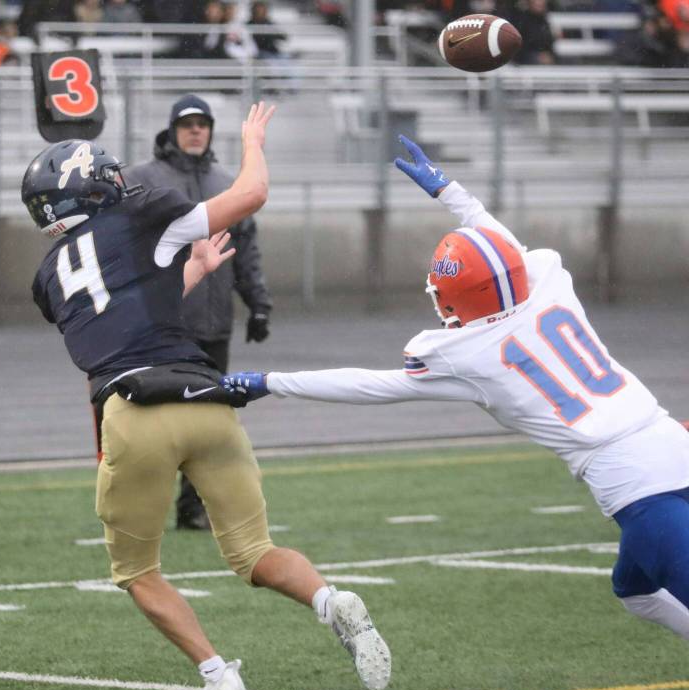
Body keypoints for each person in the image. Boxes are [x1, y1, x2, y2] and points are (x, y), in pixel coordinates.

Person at [223, 135, 689, 642]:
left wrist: (271, 381)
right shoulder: (549, 281)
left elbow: (368, 385)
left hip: (640, 490)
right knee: (634, 589)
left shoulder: (470, 354)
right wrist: (448, 190)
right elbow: (497, 240)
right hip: (672, 439)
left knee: (646, 581)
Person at [22, 103, 391, 690]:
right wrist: (251, 141)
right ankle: (330, 600)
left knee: (137, 570)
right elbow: (252, 194)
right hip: (207, 402)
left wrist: (185, 272)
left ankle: (217, 674)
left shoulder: (47, 276)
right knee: (253, 551)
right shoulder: (142, 215)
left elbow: (112, 315)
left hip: (135, 413)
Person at [125, 94, 273, 531]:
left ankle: (193, 508)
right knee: (155, 422)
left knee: (208, 420)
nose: (195, 130)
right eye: (187, 123)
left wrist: (258, 304)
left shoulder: (227, 181)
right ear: (172, 130)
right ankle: (141, 508)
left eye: (202, 124)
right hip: (162, 324)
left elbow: (245, 250)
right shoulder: (144, 180)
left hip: (213, 323)